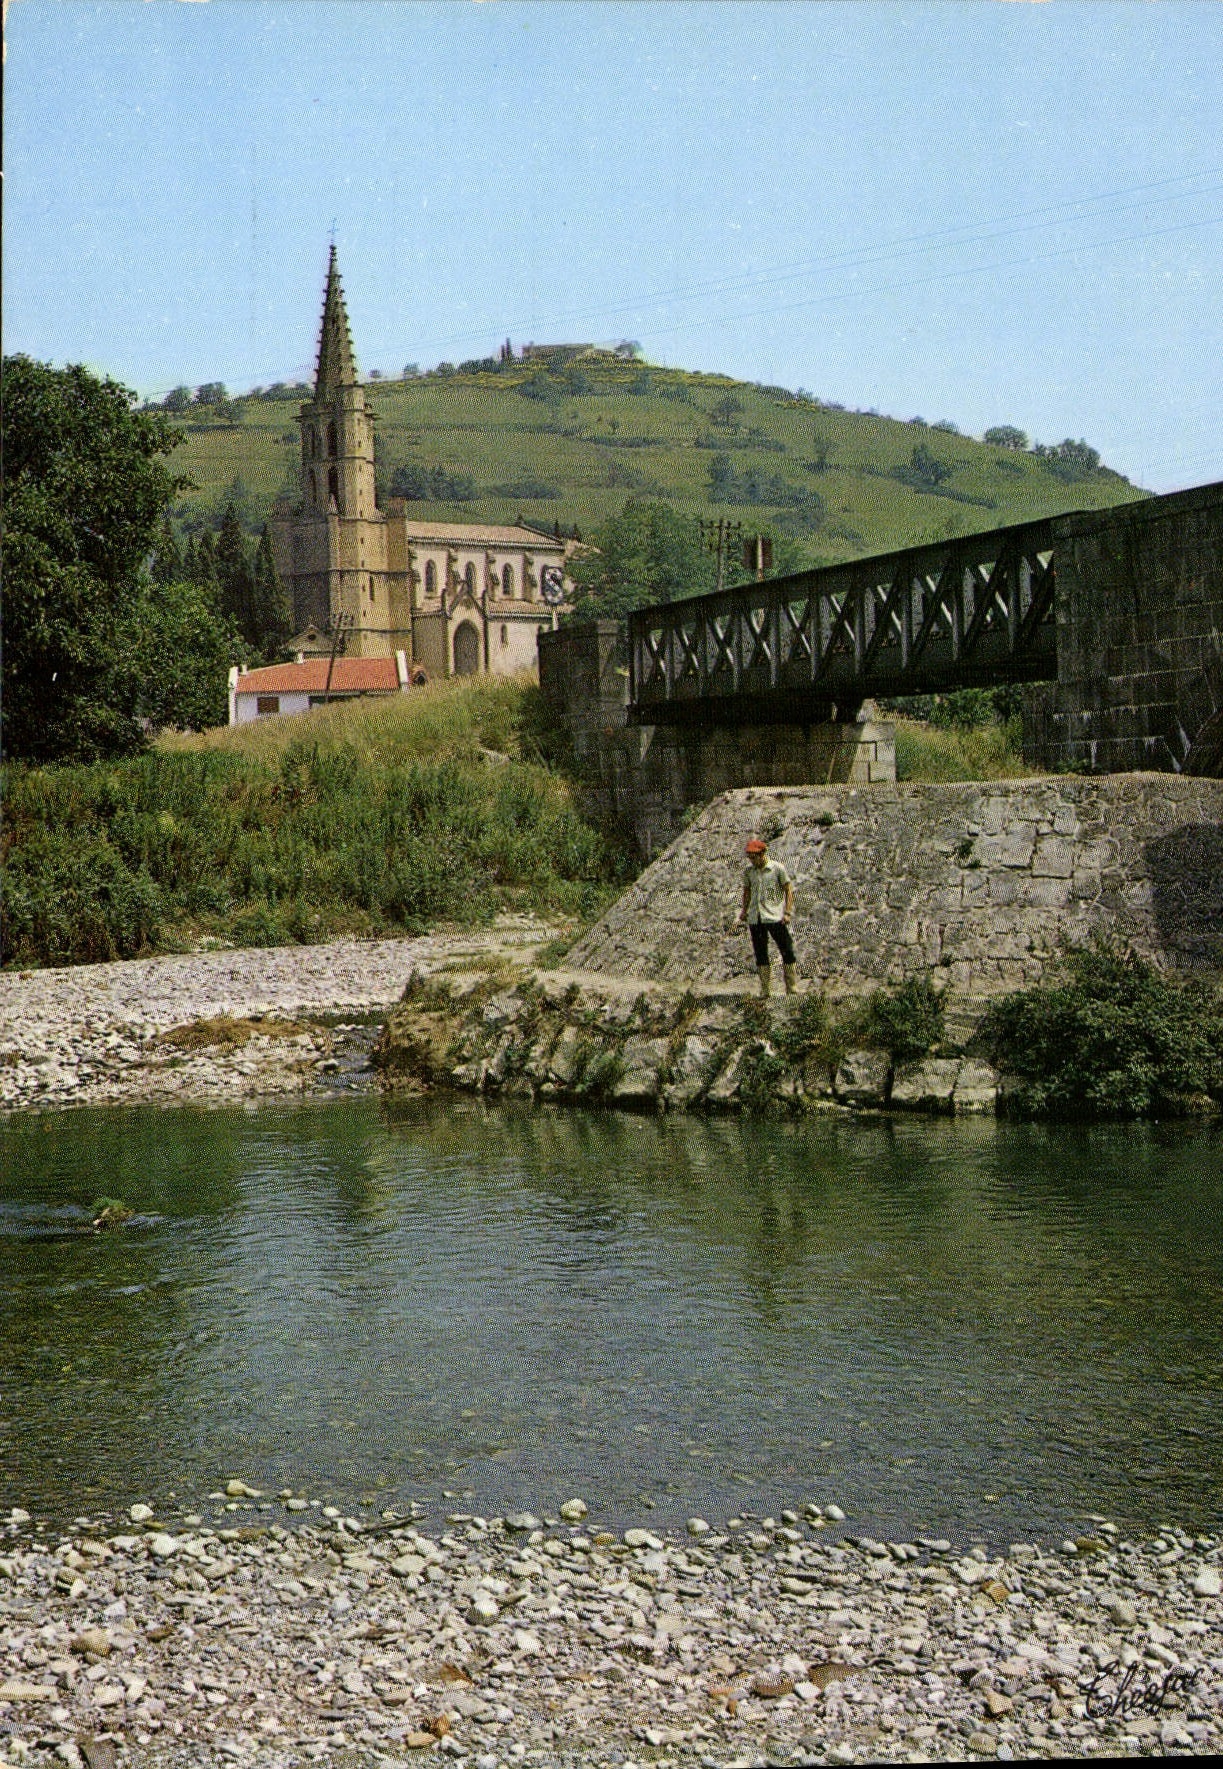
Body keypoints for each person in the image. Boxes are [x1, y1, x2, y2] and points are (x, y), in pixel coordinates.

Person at [736, 837, 797, 996]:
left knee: (787, 950)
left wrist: (788, 912)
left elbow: (788, 890)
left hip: (775, 917)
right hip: (756, 918)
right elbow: (747, 892)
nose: (751, 860)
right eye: (749, 857)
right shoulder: (749, 872)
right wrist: (744, 911)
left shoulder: (777, 868)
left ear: (763, 853)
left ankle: (791, 988)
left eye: (754, 856)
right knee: (760, 953)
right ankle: (765, 990)